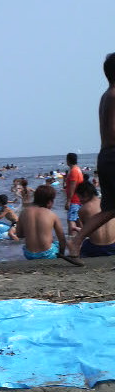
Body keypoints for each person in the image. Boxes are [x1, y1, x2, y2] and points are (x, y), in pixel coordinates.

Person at [66, 55, 115, 264]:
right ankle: (75, 242)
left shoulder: (107, 95)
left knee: (110, 209)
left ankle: (76, 242)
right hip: (113, 155)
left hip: (107, 155)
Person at [16, 184, 66, 260]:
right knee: (56, 243)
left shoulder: (24, 212)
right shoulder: (52, 214)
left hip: (29, 254)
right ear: (49, 201)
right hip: (47, 255)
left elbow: (19, 234)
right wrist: (61, 254)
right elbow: (62, 239)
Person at [75, 181, 115, 257]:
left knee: (85, 244)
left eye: (79, 197)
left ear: (86, 194)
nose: (79, 201)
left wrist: (78, 230)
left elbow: (86, 232)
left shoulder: (83, 209)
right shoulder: (109, 205)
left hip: (96, 248)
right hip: (113, 247)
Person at [64, 152, 84, 234]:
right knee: (78, 220)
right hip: (79, 199)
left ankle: (71, 239)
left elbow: (72, 187)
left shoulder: (73, 171)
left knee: (71, 220)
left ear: (68, 160)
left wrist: (68, 201)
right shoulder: (78, 169)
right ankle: (84, 236)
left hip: (74, 200)